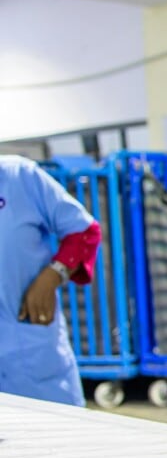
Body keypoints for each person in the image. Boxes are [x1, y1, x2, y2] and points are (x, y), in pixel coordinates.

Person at [0, 155, 102, 406]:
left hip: (29, 351)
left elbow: (84, 231)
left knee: (60, 436)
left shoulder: (19, 177)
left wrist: (53, 275)